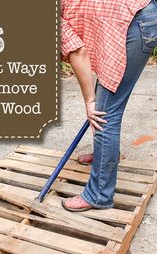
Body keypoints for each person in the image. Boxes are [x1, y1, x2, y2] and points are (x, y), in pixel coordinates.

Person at [61, 0, 157, 211]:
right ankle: (103, 155)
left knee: (104, 113)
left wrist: (89, 101)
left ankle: (98, 195)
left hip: (133, 22)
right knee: (105, 102)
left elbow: (79, 53)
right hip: (140, 14)